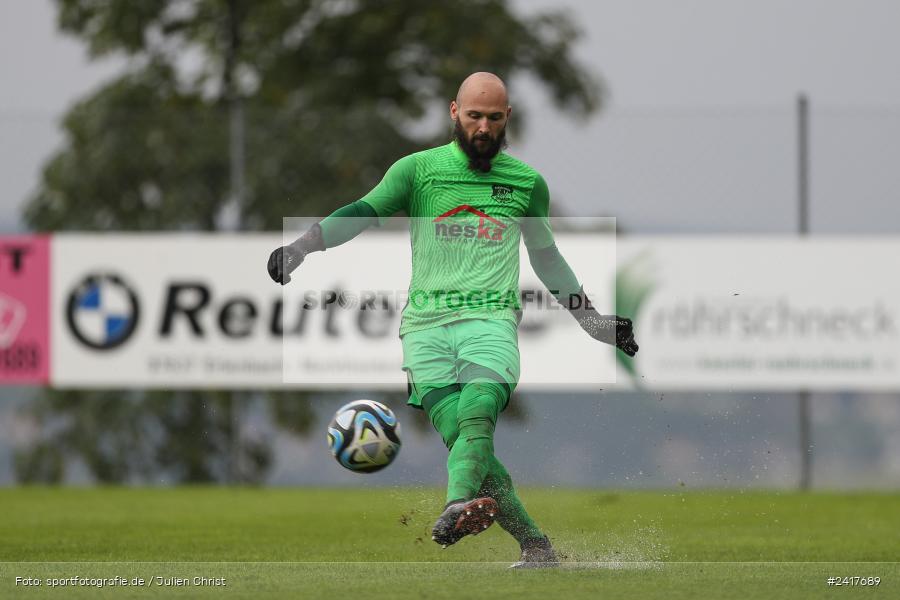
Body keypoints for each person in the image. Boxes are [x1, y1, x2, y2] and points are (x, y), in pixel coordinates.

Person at [268, 72, 639, 568]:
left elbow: (547, 259)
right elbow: (363, 211)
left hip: (490, 320)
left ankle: (455, 506)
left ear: (507, 118)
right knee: (468, 443)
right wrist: (303, 246)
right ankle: (536, 548)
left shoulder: (527, 183)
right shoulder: (418, 171)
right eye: (473, 116)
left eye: (492, 117)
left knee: (479, 410)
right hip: (425, 328)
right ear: (453, 113)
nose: (482, 126)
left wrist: (592, 322)